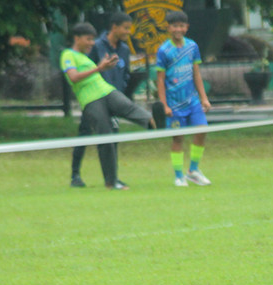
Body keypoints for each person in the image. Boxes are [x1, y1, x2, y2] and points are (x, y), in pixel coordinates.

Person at [60, 22, 152, 190]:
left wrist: (102, 67)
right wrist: (99, 68)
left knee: (129, 107)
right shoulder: (68, 54)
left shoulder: (85, 57)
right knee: (106, 138)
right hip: (91, 100)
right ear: (77, 38)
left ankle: (155, 123)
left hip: (107, 91)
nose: (91, 43)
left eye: (92, 40)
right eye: (88, 39)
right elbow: (73, 77)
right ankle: (111, 182)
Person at [71, 12, 135, 189]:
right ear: (114, 27)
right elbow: (84, 70)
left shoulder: (124, 49)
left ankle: (112, 179)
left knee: (112, 138)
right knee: (84, 135)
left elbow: (125, 74)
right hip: (93, 99)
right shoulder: (96, 46)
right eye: (125, 28)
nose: (128, 32)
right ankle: (75, 175)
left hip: (113, 99)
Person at [156, 10, 212, 187]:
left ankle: (193, 170)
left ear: (186, 27)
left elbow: (196, 74)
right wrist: (164, 105)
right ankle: (179, 175)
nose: (178, 29)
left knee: (202, 130)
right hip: (174, 103)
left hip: (192, 101)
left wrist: (204, 98)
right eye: (174, 26)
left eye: (181, 26)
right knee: (178, 138)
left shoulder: (192, 47)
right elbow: (160, 79)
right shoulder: (164, 50)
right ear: (168, 28)